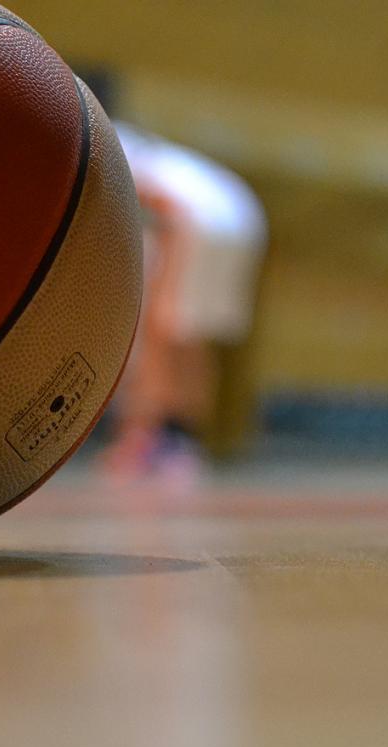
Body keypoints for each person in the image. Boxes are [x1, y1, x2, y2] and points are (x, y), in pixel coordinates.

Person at [102, 124, 267, 486]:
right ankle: (181, 440)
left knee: (159, 326)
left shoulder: (100, 149)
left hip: (196, 222)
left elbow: (176, 212)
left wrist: (167, 287)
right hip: (240, 217)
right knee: (188, 334)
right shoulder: (139, 147)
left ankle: (145, 438)